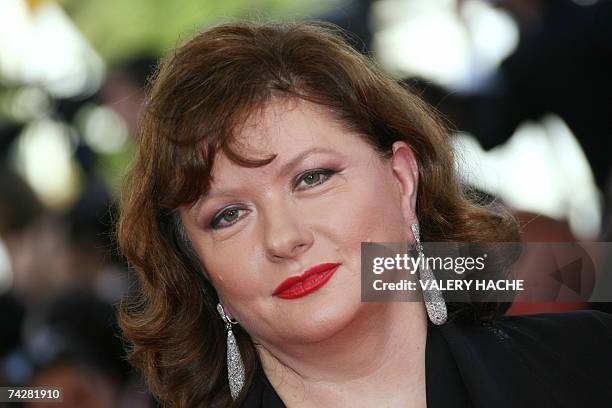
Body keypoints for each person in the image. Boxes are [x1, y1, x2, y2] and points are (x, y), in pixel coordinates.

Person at [116, 21, 612, 407]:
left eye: (312, 178)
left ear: (401, 179)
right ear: (197, 265)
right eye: (228, 215)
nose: (283, 237)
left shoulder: (589, 363)